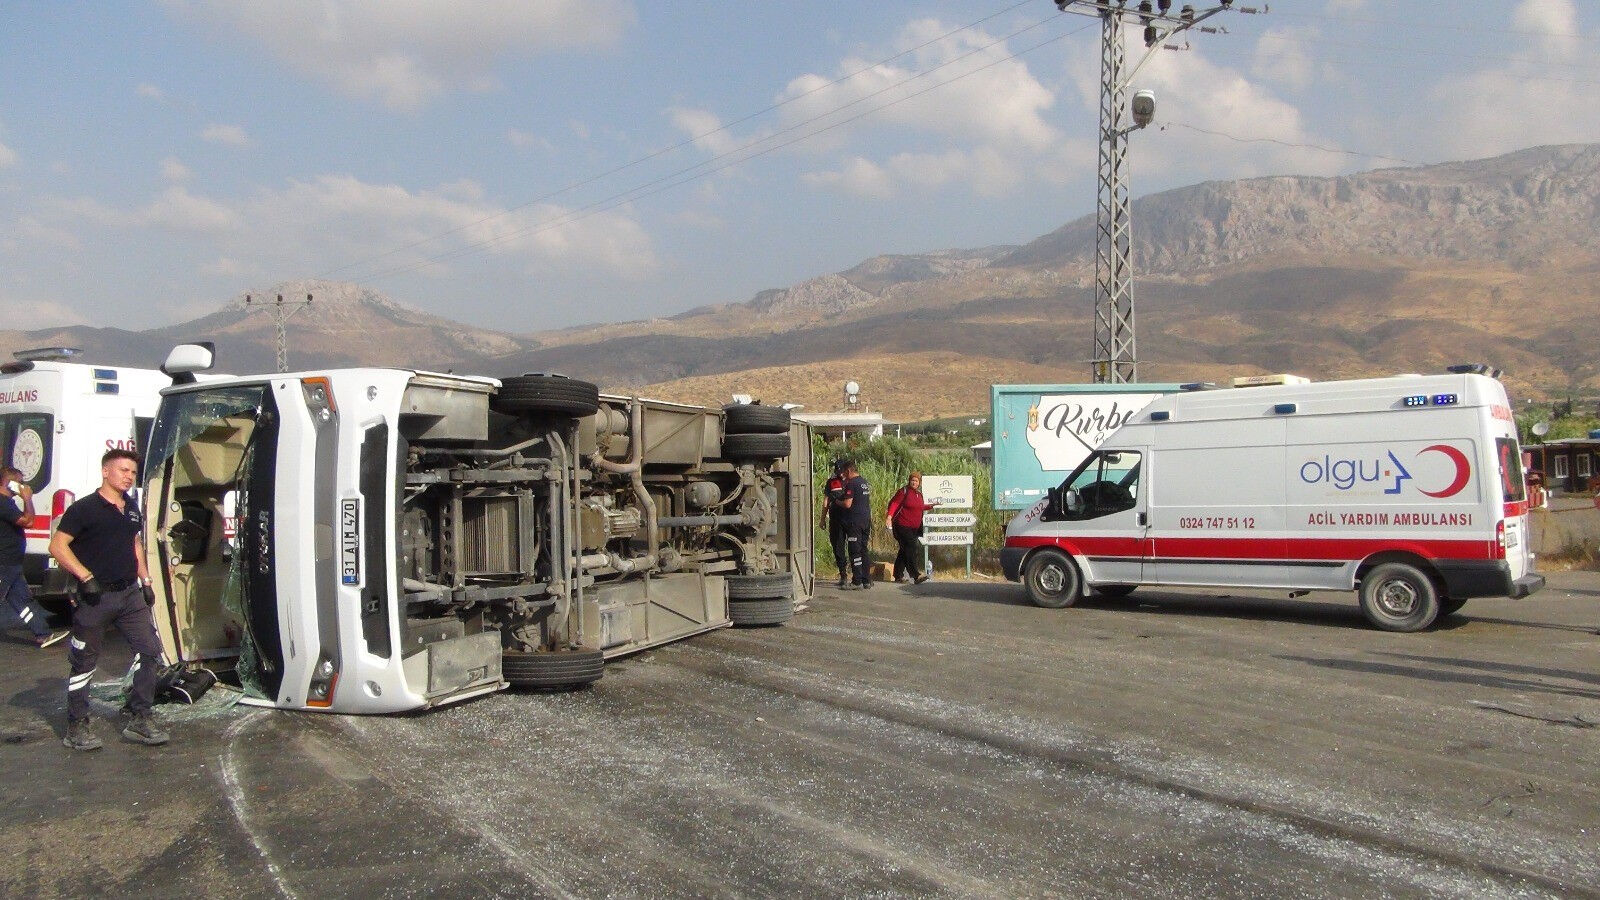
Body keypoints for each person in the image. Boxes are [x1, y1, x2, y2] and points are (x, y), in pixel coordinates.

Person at [50, 449, 168, 751]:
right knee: (84, 662)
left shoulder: (130, 507)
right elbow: (58, 546)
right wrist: (85, 577)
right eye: (123, 470)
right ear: (106, 471)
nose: (128, 477)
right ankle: (77, 724)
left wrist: (146, 580)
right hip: (96, 596)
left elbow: (135, 544)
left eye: (132, 472)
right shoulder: (85, 509)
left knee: (150, 651)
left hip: (130, 594)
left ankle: (140, 716)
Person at [0, 467, 67, 648]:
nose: (24, 487)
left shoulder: (8, 503)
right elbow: (29, 522)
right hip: (4, 563)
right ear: (10, 483)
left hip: (12, 564)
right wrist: (28, 499)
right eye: (20, 482)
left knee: (23, 601)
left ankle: (42, 634)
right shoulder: (3, 503)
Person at [886, 471, 932, 585]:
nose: (914, 482)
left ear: (919, 483)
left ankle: (898, 575)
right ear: (909, 481)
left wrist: (932, 505)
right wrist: (889, 517)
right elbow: (895, 504)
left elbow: (920, 507)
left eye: (916, 481)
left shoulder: (918, 494)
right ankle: (915, 575)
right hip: (902, 526)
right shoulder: (904, 492)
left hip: (914, 528)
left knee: (904, 550)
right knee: (911, 548)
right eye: (912, 480)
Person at [837, 459, 873, 589]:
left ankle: (857, 581)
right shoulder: (864, 482)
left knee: (855, 552)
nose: (843, 476)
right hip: (865, 521)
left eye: (844, 473)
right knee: (864, 550)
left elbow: (847, 504)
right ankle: (866, 580)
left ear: (848, 471)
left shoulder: (852, 483)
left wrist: (837, 502)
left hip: (854, 522)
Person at [819, 459, 850, 589]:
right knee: (838, 547)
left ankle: (859, 575)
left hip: (850, 518)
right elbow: (826, 500)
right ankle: (843, 574)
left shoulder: (852, 481)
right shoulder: (831, 482)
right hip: (835, 518)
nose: (840, 473)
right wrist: (822, 519)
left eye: (842, 471)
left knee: (855, 547)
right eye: (838, 471)